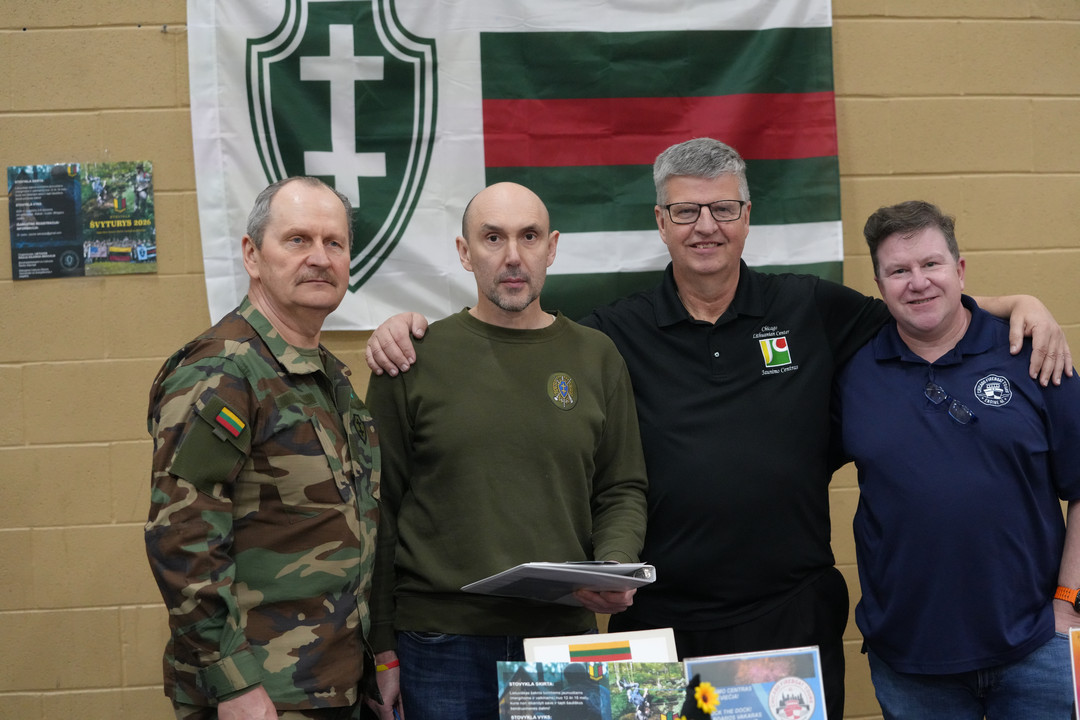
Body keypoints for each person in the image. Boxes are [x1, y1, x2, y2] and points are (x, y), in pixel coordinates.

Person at [363, 138, 1072, 719]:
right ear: (661, 221)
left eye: (723, 208)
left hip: (789, 619)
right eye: (686, 211)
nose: (706, 226)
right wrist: (408, 329)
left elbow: (919, 305)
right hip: (658, 624)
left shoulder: (810, 308)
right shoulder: (613, 333)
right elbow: (515, 340)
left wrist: (1019, 303)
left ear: (746, 217)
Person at [364, 182, 648, 720]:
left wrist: (613, 566)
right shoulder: (410, 360)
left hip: (561, 638)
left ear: (552, 247)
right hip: (441, 645)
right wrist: (381, 648)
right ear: (464, 251)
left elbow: (620, 487)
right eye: (493, 238)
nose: (513, 255)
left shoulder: (597, 356)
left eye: (529, 236)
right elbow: (377, 510)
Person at [145, 177, 388, 720]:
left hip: (331, 684)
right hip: (260, 694)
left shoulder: (326, 378)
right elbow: (181, 538)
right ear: (252, 256)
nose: (320, 258)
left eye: (334, 243)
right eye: (298, 239)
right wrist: (233, 683)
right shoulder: (223, 371)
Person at [831, 200, 1080, 719]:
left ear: (960, 269)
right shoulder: (852, 373)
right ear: (879, 285)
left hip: (1038, 648)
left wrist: (1068, 604)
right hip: (910, 660)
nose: (918, 282)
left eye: (931, 264)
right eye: (899, 271)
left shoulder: (1033, 353)